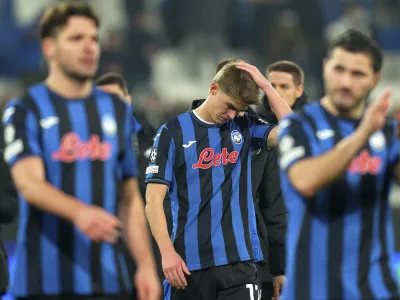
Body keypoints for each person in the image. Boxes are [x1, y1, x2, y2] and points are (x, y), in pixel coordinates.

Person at [2, 2, 160, 300]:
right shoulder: (25, 111)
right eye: (76, 39)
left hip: (109, 280)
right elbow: (29, 183)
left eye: (94, 39)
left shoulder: (117, 112)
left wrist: (146, 265)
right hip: (44, 281)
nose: (89, 47)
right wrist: (81, 213)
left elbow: (129, 198)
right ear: (49, 48)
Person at [145, 61, 292, 300]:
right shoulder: (172, 132)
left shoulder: (245, 126)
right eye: (230, 106)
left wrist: (265, 85)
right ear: (213, 88)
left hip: (239, 265)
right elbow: (153, 200)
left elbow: (294, 132)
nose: (232, 114)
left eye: (238, 110)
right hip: (187, 266)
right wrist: (166, 252)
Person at [278, 29, 400, 300]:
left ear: (375, 79)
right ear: (325, 67)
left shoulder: (389, 133)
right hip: (312, 291)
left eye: (358, 74)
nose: (345, 82)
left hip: (377, 291)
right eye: (339, 69)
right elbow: (306, 181)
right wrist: (363, 134)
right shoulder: (298, 126)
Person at [253, 60, 309, 300]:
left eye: (284, 86)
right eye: (271, 85)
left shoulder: (315, 130)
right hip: (263, 253)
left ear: (299, 90)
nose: (275, 93)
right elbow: (270, 204)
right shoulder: (251, 130)